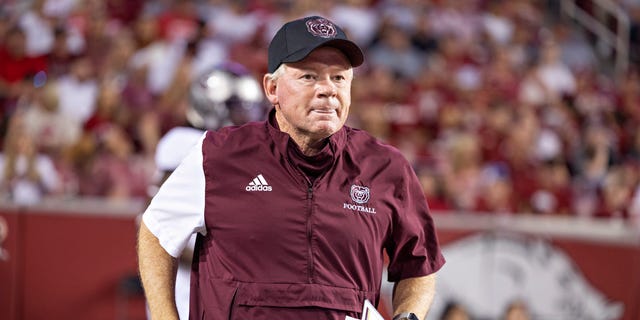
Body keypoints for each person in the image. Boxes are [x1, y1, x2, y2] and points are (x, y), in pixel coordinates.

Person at [138, 15, 445, 320]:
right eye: (309, 77)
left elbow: (419, 266)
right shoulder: (216, 155)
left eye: (339, 78)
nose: (327, 89)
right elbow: (156, 232)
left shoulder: (386, 167)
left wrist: (408, 315)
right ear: (272, 89)